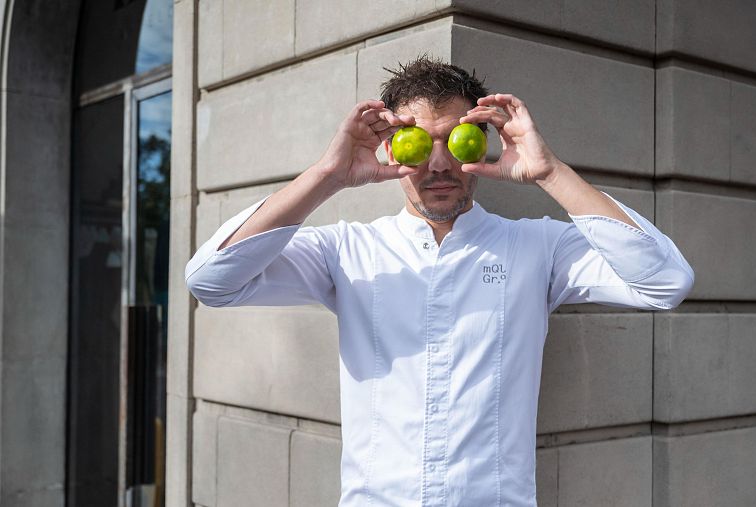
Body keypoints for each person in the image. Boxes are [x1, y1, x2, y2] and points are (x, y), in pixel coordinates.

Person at [185, 56, 694, 506]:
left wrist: (549, 172)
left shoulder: (538, 246)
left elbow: (666, 282)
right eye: (417, 145)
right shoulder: (347, 249)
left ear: (482, 143)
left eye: (454, 139)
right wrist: (327, 176)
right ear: (390, 150)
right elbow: (211, 280)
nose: (439, 164)